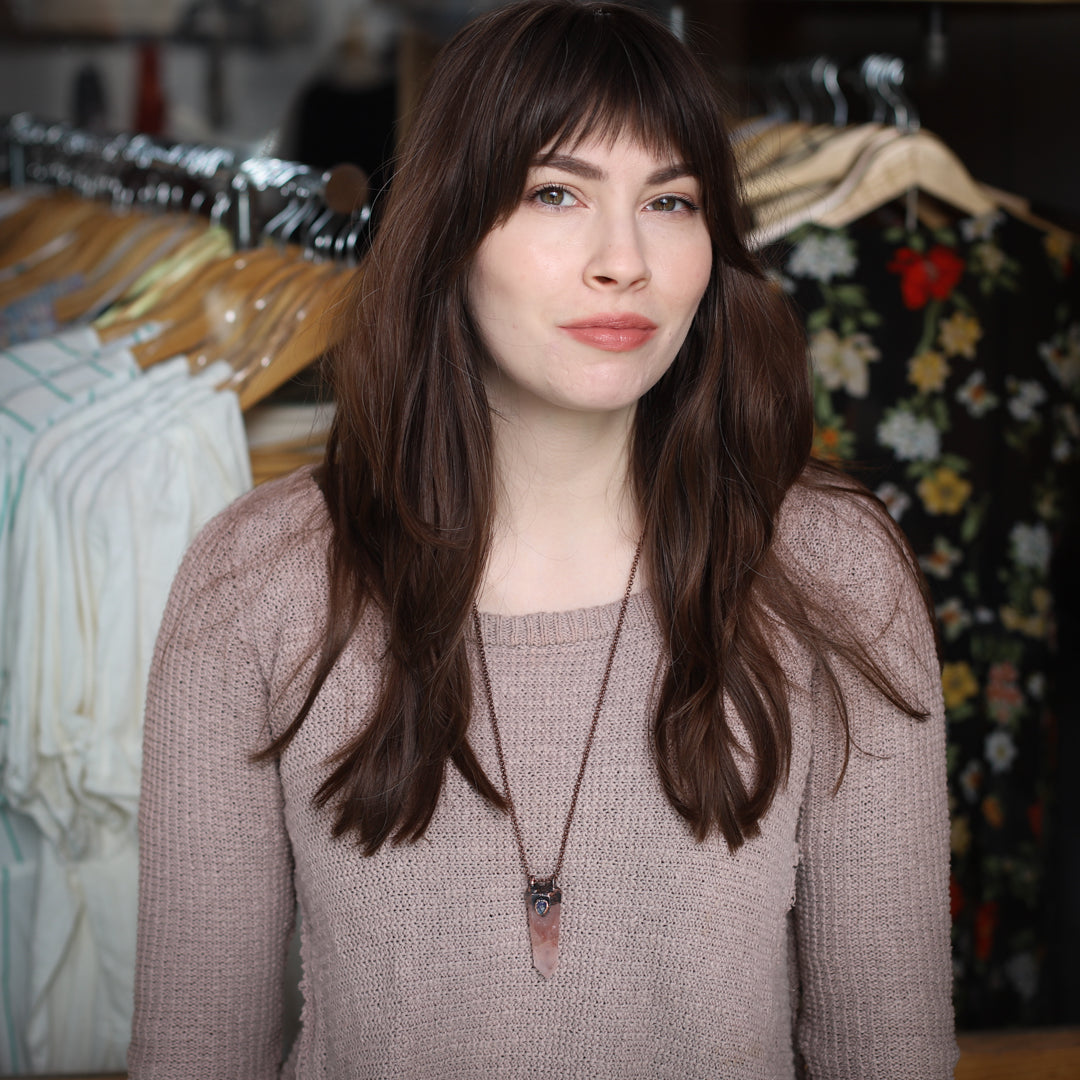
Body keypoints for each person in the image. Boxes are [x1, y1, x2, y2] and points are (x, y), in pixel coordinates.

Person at [129, 2, 958, 1077]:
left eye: (671, 201)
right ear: (452, 230)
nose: (625, 260)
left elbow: (887, 1055)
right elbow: (198, 1057)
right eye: (555, 193)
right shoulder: (258, 580)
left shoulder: (834, 574)